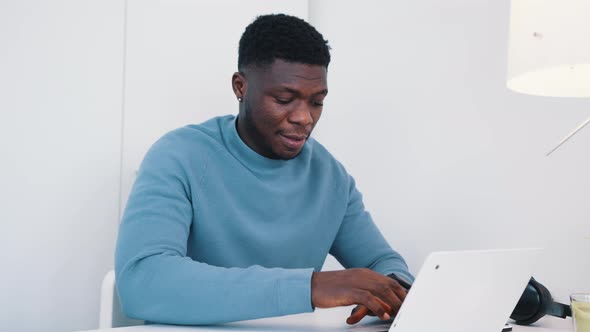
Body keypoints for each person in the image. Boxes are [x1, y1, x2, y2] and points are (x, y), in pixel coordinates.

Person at [115, 13, 413, 326]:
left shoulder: (330, 177)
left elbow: (381, 261)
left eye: (317, 102)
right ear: (240, 87)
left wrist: (395, 288)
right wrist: (311, 287)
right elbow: (143, 281)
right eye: (285, 99)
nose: (304, 118)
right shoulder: (179, 156)